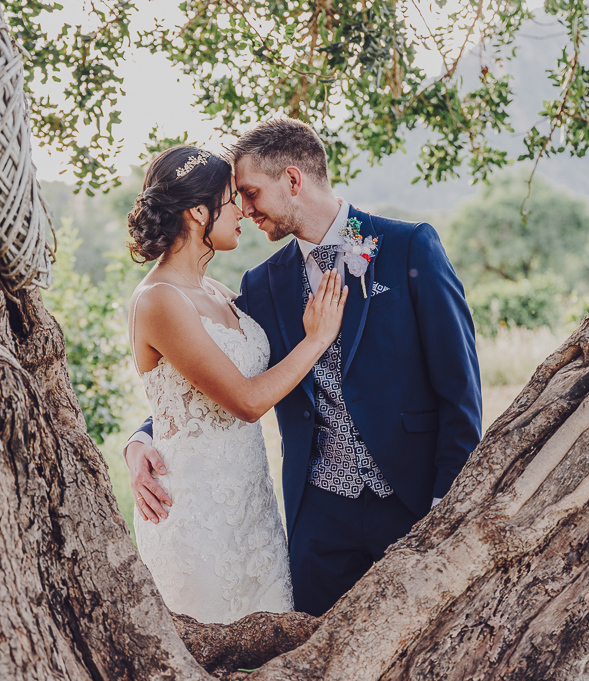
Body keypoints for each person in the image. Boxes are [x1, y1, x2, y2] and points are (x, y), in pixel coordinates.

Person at [125, 119, 482, 617]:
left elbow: (460, 390)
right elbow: (209, 377)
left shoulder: (407, 248)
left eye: (250, 193)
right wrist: (143, 437)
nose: (245, 211)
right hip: (317, 519)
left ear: (293, 181)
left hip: (413, 500)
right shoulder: (262, 284)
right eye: (237, 199)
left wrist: (451, 503)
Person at [125, 144, 348, 624]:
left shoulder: (220, 293)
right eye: (233, 199)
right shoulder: (159, 300)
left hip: (254, 514)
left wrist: (138, 437)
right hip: (197, 518)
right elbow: (246, 401)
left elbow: (192, 397)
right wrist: (317, 339)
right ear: (199, 212)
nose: (244, 211)